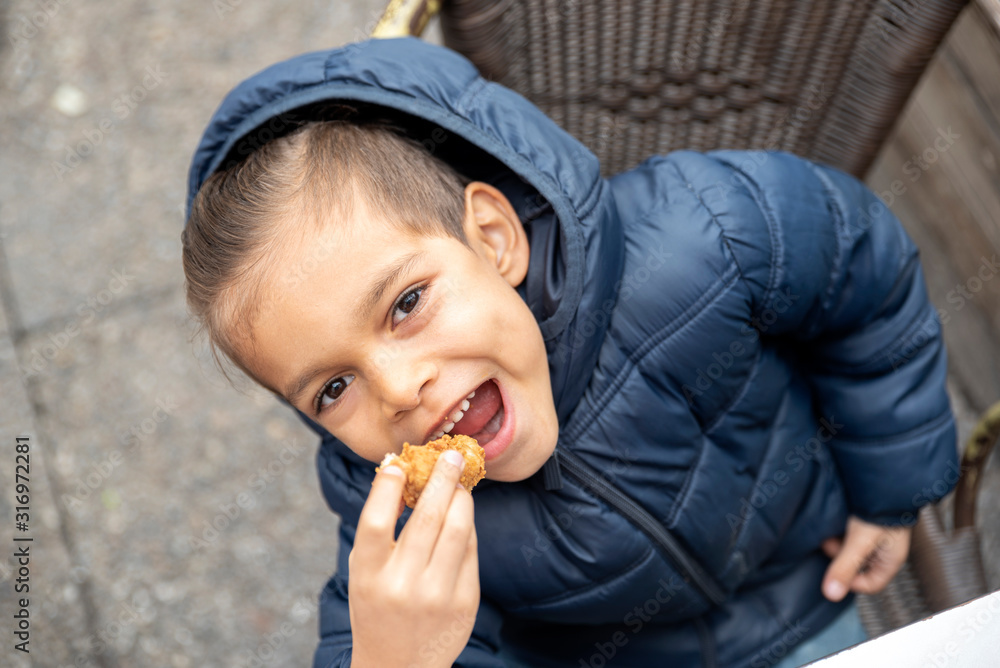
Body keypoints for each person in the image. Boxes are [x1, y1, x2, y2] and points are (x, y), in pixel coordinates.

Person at [182, 37, 957, 668]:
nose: (396, 389)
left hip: (805, 587)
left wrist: (890, 490)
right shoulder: (385, 497)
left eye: (406, 304)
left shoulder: (708, 238)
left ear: (492, 239)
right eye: (331, 389)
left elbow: (867, 281)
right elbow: (381, 620)